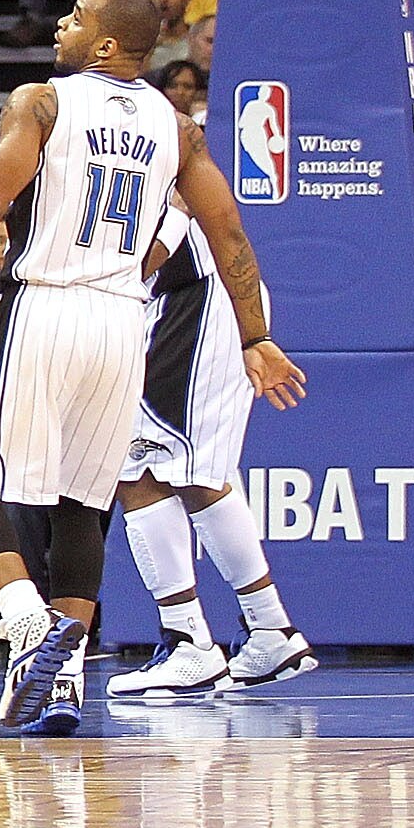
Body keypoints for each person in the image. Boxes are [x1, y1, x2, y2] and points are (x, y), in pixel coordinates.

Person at [0, 0, 303, 736]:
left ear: (107, 45)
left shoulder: (41, 102)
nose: (60, 23)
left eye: (76, 17)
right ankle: (66, 679)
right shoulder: (178, 128)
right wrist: (254, 337)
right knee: (83, 503)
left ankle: (23, 625)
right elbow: (231, 238)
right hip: (122, 320)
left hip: (44, 305)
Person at [108, 203, 318, 695]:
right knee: (190, 472)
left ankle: (189, 645)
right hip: (197, 302)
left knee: (140, 469)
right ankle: (270, 630)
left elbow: (168, 224)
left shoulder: (131, 143)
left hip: (195, 304)